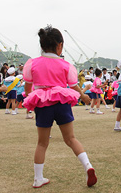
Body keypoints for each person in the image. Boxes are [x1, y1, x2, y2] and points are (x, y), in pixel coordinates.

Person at [22, 26, 97, 188]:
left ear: (41, 45)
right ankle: (88, 166)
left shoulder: (32, 64)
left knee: (42, 143)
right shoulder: (66, 65)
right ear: (59, 45)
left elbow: (28, 89)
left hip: (43, 103)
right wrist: (83, 96)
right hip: (62, 102)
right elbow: (73, 86)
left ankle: (38, 178)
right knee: (71, 138)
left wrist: (32, 100)